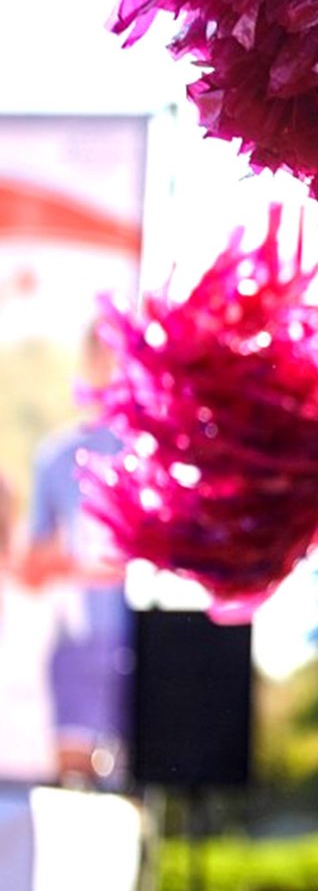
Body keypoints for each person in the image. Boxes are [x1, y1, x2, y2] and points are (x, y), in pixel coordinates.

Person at [22, 321, 130, 789]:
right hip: (79, 641)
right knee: (75, 783)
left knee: (139, 788)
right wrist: (76, 548)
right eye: (103, 353)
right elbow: (32, 566)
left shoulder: (162, 449)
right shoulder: (56, 456)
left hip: (150, 637)